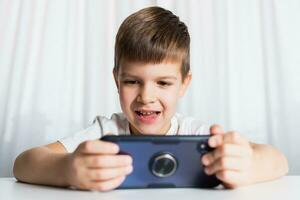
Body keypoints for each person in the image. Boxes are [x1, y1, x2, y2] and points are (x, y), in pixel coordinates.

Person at [13, 6, 288, 191]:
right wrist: (67, 169)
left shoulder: (198, 136)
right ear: (116, 81)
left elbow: (278, 160)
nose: (146, 97)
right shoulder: (104, 133)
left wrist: (248, 164)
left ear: (184, 84)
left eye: (163, 83)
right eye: (132, 81)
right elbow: (24, 163)